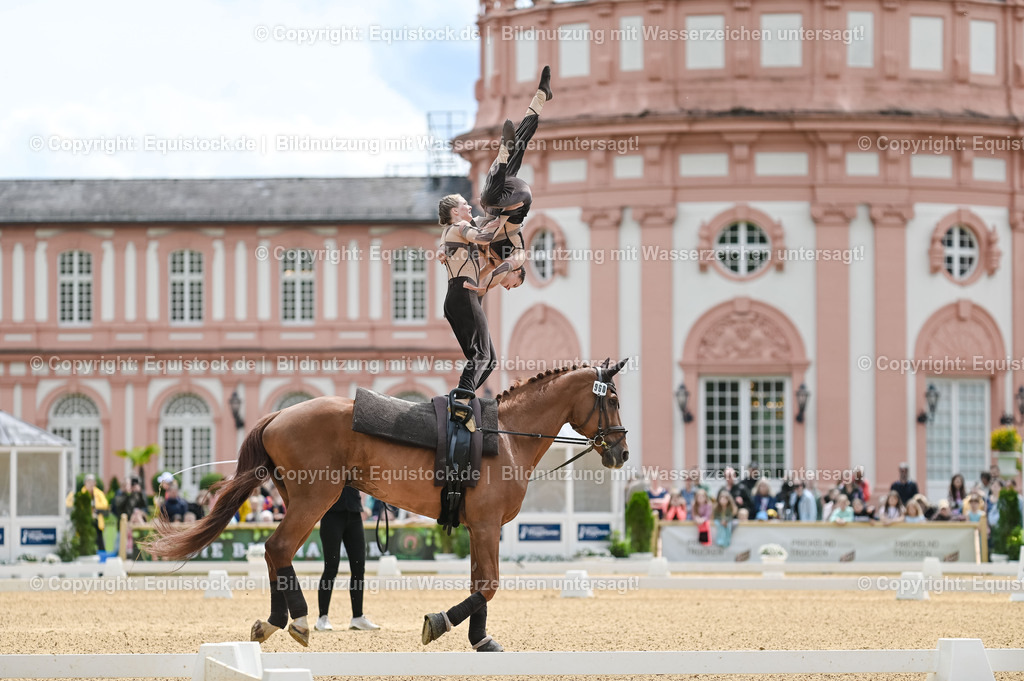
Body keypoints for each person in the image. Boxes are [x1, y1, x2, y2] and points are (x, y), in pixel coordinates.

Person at [436, 66, 552, 398]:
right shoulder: (517, 252)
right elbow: (498, 270)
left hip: (502, 200)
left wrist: (472, 273)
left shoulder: (492, 260)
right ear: (518, 275)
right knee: (492, 190)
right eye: (514, 285)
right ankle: (506, 148)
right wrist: (484, 280)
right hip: (517, 202)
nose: (509, 286)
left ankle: (540, 98)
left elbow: (478, 260)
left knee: (508, 165)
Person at [315, 486, 379, 632]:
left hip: (354, 512)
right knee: (331, 568)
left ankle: (357, 616)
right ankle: (322, 617)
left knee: (359, 567)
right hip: (331, 514)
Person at [65, 473, 109, 553]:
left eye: (92, 482)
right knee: (85, 538)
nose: (90, 484)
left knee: (99, 539)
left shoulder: (98, 493)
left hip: (96, 521)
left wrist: (95, 508)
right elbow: (73, 504)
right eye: (88, 482)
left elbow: (105, 504)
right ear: (85, 483)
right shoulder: (82, 492)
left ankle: (101, 554)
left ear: (95, 483)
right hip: (85, 521)